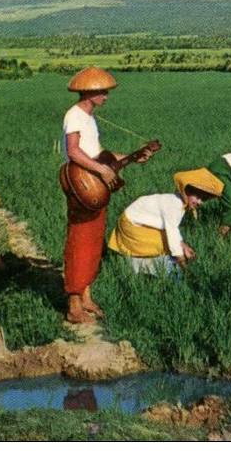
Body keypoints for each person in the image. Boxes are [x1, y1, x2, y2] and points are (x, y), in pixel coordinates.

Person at [62, 67, 156, 324]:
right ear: (89, 92)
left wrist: (132, 158)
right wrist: (100, 170)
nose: (106, 95)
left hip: (94, 183)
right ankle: (73, 305)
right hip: (83, 184)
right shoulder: (74, 115)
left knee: (94, 240)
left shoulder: (90, 119)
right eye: (102, 91)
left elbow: (98, 153)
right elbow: (73, 152)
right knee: (79, 240)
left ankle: (86, 296)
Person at [108, 168, 224, 276]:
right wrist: (182, 262)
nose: (199, 202)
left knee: (168, 243)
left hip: (138, 221)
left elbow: (173, 228)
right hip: (132, 225)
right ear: (187, 191)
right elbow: (172, 232)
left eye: (203, 199)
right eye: (197, 197)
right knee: (162, 244)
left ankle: (146, 262)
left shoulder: (180, 203)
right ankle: (140, 265)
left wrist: (183, 245)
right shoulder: (174, 205)